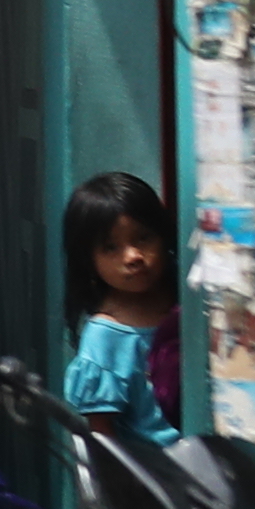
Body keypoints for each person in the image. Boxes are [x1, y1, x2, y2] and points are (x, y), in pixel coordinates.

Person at [59, 170, 184, 433]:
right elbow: (103, 441)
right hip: (152, 472)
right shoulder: (105, 337)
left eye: (143, 238)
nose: (133, 256)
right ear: (88, 260)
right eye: (111, 247)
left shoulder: (187, 300)